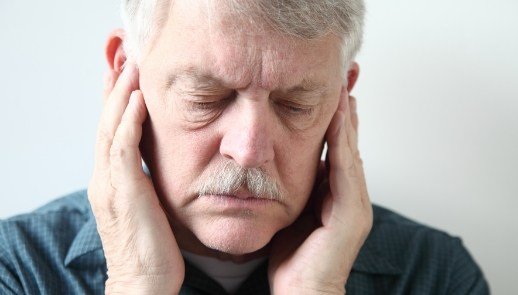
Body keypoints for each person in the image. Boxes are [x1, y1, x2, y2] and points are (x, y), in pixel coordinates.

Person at [0, 0, 489, 294]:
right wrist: (136, 284)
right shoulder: (19, 270)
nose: (250, 149)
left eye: (295, 104)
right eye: (206, 97)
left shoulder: (433, 275)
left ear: (342, 95)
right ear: (126, 74)